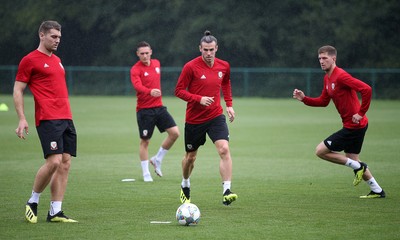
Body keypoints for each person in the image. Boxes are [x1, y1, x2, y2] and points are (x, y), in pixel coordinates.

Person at [292, 45, 385, 198]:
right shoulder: (327, 78)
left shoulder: (341, 76)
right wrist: (304, 99)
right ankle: (377, 190)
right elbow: (323, 101)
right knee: (353, 158)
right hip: (354, 126)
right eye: (320, 59)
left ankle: (359, 167)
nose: (321, 61)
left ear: (333, 59)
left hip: (354, 126)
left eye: (325, 58)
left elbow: (366, 89)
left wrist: (361, 113)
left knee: (320, 151)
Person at [14, 20, 78, 223]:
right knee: (54, 161)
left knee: (65, 164)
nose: (57, 40)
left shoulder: (57, 60)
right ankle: (33, 201)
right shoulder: (29, 60)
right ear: (41, 35)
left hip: (66, 117)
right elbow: (18, 90)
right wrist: (22, 118)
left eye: (59, 37)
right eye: (53, 36)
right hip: (48, 118)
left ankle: (55, 211)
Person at [175, 30, 238, 205]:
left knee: (224, 149)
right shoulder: (190, 67)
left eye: (211, 50)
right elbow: (178, 91)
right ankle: (185, 184)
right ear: (200, 49)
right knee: (190, 158)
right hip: (194, 120)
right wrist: (198, 98)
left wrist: (229, 104)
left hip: (215, 116)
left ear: (216, 48)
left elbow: (225, 82)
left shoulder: (224, 66)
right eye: (205, 50)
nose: (209, 53)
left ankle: (226, 190)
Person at [130, 41, 180, 182]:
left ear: (151, 52)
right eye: (142, 54)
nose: (145, 56)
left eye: (147, 53)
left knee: (175, 133)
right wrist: (149, 91)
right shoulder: (135, 69)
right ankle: (146, 174)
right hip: (144, 110)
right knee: (145, 141)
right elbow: (137, 86)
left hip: (159, 107)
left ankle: (157, 159)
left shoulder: (157, 63)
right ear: (138, 54)